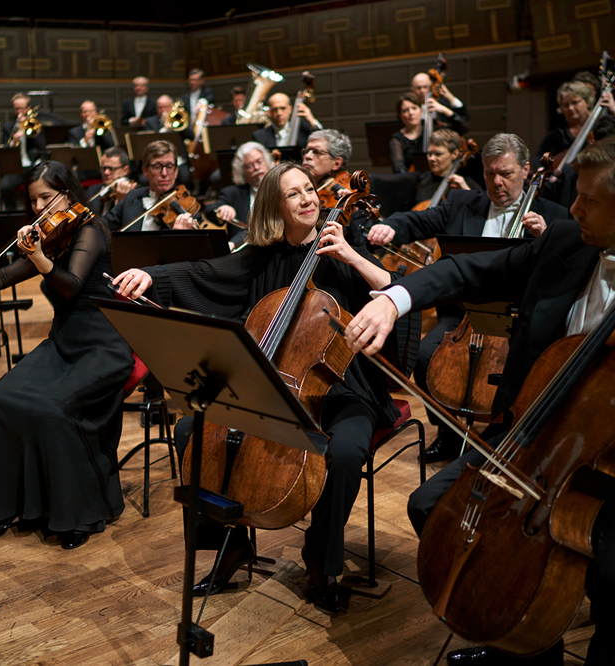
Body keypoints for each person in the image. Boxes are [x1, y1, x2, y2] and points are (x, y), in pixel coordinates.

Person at [346, 132, 615, 666]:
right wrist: (395, 298)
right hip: (540, 430)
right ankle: (528, 641)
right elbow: (468, 270)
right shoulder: (565, 242)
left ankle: (605, 651)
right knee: (430, 506)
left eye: (588, 198)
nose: (571, 208)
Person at [112, 162, 401, 613]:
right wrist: (153, 277)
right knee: (193, 430)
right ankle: (230, 545)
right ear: (274, 207)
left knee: (343, 453)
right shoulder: (261, 255)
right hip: (272, 381)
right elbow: (203, 272)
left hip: (342, 386)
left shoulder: (346, 243)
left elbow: (397, 289)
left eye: (310, 189)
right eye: (294, 194)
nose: (308, 199)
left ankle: (320, 561)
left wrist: (352, 255)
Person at [0, 161, 134, 551]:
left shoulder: (90, 231)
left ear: (68, 193)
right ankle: (11, 508)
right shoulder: (53, 235)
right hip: (64, 340)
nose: (41, 205)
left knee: (55, 409)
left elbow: (70, 286)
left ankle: (80, 514)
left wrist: (40, 256)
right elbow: (9, 273)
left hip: (102, 343)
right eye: (34, 200)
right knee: (1, 399)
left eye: (48, 196)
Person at [367, 133, 568, 463]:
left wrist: (547, 239)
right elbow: (419, 219)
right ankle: (447, 431)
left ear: (527, 170)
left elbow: (567, 271)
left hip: (518, 318)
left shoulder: (554, 215)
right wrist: (391, 226)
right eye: (490, 174)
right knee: (424, 357)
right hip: (462, 315)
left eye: (506, 173)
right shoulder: (464, 203)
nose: (497, 182)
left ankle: (507, 434)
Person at [533, 80, 615, 168]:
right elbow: (538, 158)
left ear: (587, 102)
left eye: (575, 102)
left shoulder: (603, 124)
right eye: (565, 105)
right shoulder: (558, 134)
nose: (570, 108)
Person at [103, 140, 198, 232]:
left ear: (176, 171)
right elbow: (102, 226)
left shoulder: (188, 207)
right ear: (145, 171)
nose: (164, 173)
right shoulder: (132, 197)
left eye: (169, 166)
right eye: (157, 167)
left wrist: (184, 237)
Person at [203, 141, 273, 247]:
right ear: (242, 172)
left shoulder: (282, 188)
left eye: (259, 162)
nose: (256, 168)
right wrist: (222, 209)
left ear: (267, 162)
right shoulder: (233, 193)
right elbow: (209, 209)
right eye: (249, 166)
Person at [1, 93, 48, 210]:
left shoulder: (34, 124)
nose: (19, 111)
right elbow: (5, 150)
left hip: (32, 165)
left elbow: (41, 147)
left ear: (28, 108)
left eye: (22, 108)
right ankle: (12, 214)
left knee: (42, 187)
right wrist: (14, 140)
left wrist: (28, 132)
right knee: (4, 187)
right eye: (16, 108)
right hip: (16, 167)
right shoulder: (8, 127)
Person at [252, 92, 322, 149]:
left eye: (283, 108)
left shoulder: (303, 129)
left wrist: (312, 120)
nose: (279, 113)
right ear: (269, 112)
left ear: (290, 109)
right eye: (274, 109)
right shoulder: (259, 136)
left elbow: (322, 142)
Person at [411, 71, 470, 136]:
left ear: (431, 86)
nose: (422, 91)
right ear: (412, 89)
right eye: (418, 88)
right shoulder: (409, 109)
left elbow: (464, 123)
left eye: (425, 87)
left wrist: (448, 98)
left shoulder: (441, 104)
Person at [85, 147, 135, 217]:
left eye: (111, 169)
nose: (106, 172)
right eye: (104, 168)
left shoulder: (134, 192)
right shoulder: (93, 190)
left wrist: (121, 201)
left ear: (125, 170)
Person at [389, 92, 426, 174]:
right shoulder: (396, 139)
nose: (411, 113)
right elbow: (398, 168)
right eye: (405, 110)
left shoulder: (431, 132)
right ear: (400, 115)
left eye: (414, 108)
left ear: (421, 110)